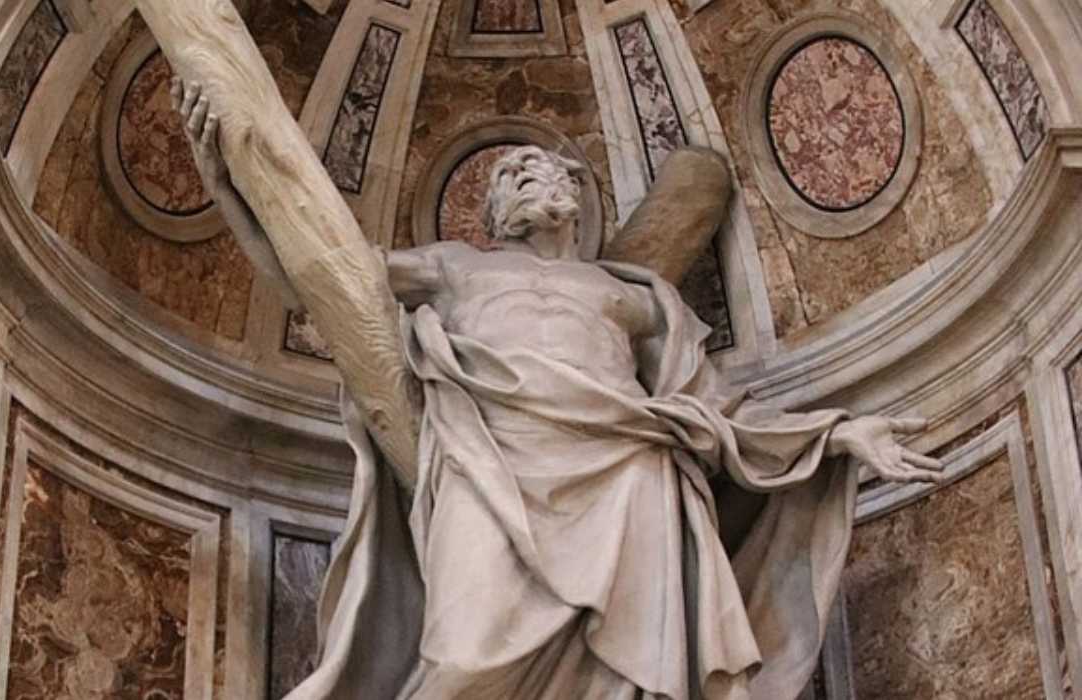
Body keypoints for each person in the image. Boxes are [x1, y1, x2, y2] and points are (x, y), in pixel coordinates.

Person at [173, 79, 944, 700]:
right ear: (494, 211)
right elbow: (316, 279)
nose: (531, 177)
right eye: (513, 175)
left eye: (545, 171)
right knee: (463, 655)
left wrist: (842, 434)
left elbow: (717, 413)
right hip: (492, 464)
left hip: (627, 470)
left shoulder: (628, 294)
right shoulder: (455, 268)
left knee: (644, 671)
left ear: (576, 200)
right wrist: (229, 185)